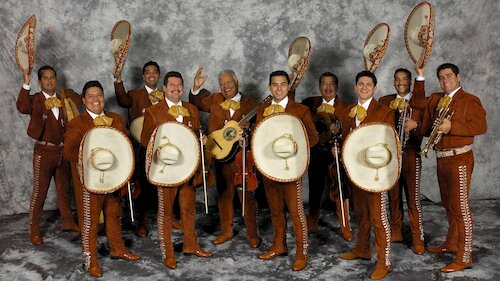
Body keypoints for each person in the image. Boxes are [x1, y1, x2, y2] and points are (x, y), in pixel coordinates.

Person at [64, 80, 140, 278]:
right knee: (90, 222)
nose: (95, 100)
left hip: (115, 178)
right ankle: (91, 261)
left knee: (114, 214)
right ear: (83, 100)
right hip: (92, 180)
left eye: (99, 95)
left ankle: (117, 248)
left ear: (103, 98)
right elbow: (68, 152)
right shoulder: (77, 123)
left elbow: (127, 147)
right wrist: (90, 156)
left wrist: (128, 174)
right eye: (91, 96)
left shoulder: (116, 118)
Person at [141, 71, 213, 269]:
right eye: (171, 85)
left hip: (189, 168)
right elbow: (146, 141)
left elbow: (198, 131)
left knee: (189, 210)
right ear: (164, 88)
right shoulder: (153, 111)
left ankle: (191, 245)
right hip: (167, 170)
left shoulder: (192, 108)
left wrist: (202, 139)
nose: (175, 88)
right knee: (166, 213)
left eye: (179, 85)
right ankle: (168, 253)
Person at [420, 63, 487, 273]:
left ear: (458, 77)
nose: (445, 80)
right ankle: (452, 243)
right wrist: (420, 77)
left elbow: (480, 127)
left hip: (460, 159)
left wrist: (452, 127)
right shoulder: (438, 99)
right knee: (449, 205)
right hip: (443, 159)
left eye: (449, 76)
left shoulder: (470, 100)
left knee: (461, 209)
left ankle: (465, 256)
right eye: (441, 77)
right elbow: (420, 105)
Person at [189, 67, 261, 248]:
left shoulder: (251, 104)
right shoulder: (214, 99)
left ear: (236, 82)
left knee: (246, 196)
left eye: (228, 82)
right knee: (223, 195)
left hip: (241, 158)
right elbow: (196, 103)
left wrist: (248, 132)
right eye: (222, 84)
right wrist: (196, 88)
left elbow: (261, 130)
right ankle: (226, 230)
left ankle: (252, 234)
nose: (225, 87)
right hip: (219, 157)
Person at [256, 70, 318, 271]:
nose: (279, 88)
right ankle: (279, 245)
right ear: (269, 87)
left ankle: (301, 253)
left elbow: (314, 138)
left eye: (283, 84)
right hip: (269, 167)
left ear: (289, 86)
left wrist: (295, 145)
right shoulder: (262, 110)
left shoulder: (300, 110)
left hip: (291, 168)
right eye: (275, 84)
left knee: (296, 212)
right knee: (275, 210)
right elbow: (258, 139)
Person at [338, 71, 394, 280]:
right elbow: (346, 140)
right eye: (360, 84)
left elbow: (388, 143)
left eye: (368, 84)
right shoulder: (347, 112)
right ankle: (362, 249)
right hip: (355, 172)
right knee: (361, 214)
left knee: (379, 219)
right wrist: (340, 150)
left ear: (375, 88)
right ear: (355, 87)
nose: (363, 87)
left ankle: (384, 262)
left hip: (376, 173)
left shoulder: (385, 111)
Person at [16, 66, 80, 245]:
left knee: (64, 189)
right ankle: (34, 230)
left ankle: (67, 222)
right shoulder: (35, 99)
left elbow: (77, 108)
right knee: (40, 191)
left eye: (52, 78)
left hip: (62, 151)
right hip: (44, 152)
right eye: (46, 78)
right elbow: (21, 107)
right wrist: (26, 83)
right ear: (40, 81)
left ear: (56, 79)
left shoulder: (63, 98)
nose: (50, 81)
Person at [114, 61, 166, 237]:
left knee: (165, 182)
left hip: (163, 147)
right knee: (142, 185)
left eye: (155, 72)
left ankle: (168, 217)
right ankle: (142, 222)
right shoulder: (135, 94)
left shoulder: (167, 94)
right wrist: (118, 80)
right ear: (143, 76)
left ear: (159, 76)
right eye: (148, 72)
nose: (151, 75)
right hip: (141, 147)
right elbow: (122, 101)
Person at [378, 67, 426, 254]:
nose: (400, 83)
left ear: (410, 82)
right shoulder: (385, 101)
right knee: (393, 196)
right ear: (393, 81)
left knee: (413, 199)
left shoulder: (418, 101)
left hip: (410, 155)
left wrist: (416, 125)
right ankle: (396, 230)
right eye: (397, 79)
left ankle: (417, 238)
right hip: (391, 155)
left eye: (405, 79)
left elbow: (427, 126)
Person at [301, 71, 352, 241]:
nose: (328, 87)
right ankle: (312, 221)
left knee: (339, 188)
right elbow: (296, 114)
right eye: (324, 83)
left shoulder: (346, 107)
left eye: (331, 84)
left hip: (335, 154)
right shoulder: (309, 103)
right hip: (316, 152)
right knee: (314, 189)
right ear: (319, 86)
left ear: (336, 87)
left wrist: (340, 135)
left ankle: (345, 226)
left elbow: (351, 132)